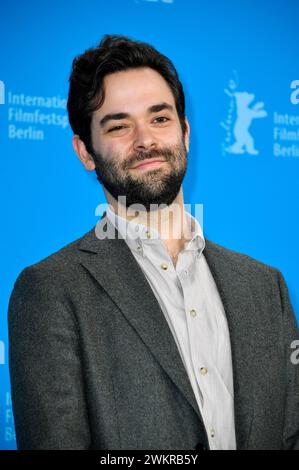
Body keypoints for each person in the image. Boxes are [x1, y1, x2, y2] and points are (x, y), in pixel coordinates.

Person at [8, 34, 299, 450]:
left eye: (159, 118)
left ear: (184, 131)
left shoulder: (265, 287)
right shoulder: (51, 291)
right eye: (119, 125)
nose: (145, 140)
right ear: (85, 152)